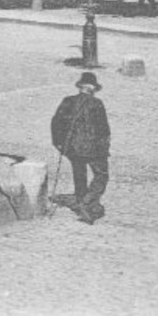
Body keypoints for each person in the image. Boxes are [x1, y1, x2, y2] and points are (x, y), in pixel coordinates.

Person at [51, 72, 111, 225]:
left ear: (80, 87)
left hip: (72, 147)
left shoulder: (68, 101)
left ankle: (81, 201)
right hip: (94, 149)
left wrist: (59, 144)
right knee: (101, 175)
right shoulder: (97, 104)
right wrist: (105, 148)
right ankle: (87, 202)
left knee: (79, 176)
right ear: (92, 88)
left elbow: (56, 123)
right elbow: (104, 129)